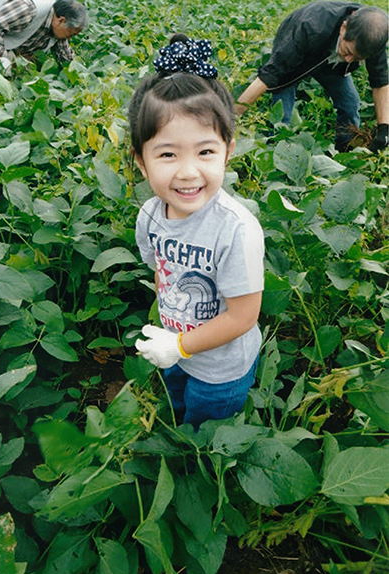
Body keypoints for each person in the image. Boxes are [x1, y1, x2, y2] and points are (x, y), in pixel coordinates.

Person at [129, 35, 265, 429]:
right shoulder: (150, 216)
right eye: (168, 154)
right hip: (174, 346)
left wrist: (180, 345)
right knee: (175, 407)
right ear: (141, 161)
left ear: (228, 151)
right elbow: (162, 270)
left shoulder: (236, 231)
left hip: (221, 366)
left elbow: (242, 316)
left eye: (205, 152)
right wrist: (172, 342)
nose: (188, 172)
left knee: (206, 429)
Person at [236, 2, 389, 153]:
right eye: (348, 51)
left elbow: (380, 81)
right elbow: (271, 74)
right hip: (299, 48)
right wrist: (233, 117)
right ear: (344, 28)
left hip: (332, 61)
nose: (349, 60)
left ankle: (345, 151)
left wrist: (384, 128)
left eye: (357, 58)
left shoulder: (372, 37)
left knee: (350, 104)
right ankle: (276, 151)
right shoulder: (310, 27)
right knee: (283, 114)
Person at [0, 0, 88, 69]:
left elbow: (66, 58)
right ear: (62, 20)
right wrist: (1, 58)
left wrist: (82, 78)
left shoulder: (58, 28)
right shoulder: (29, 10)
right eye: (72, 33)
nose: (70, 37)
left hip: (2, 41)